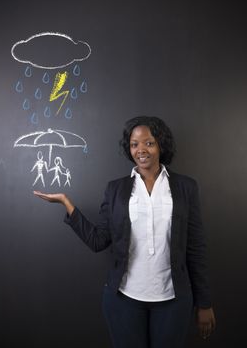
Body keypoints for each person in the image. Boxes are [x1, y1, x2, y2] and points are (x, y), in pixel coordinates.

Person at [34, 116, 216, 348]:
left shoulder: (185, 187)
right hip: (123, 300)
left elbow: (196, 248)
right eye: (134, 144)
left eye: (149, 143)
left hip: (174, 300)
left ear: (161, 145)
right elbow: (99, 241)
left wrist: (204, 302)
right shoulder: (116, 189)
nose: (141, 150)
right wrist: (67, 204)